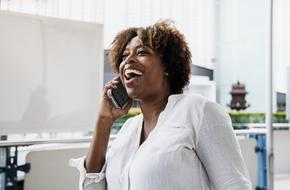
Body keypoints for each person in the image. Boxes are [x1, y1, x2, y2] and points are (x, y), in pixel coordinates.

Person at [70, 20, 252, 190]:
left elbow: (235, 185)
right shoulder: (128, 129)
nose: (128, 60)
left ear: (167, 66)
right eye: (125, 56)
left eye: (142, 52)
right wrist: (104, 121)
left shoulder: (199, 111)